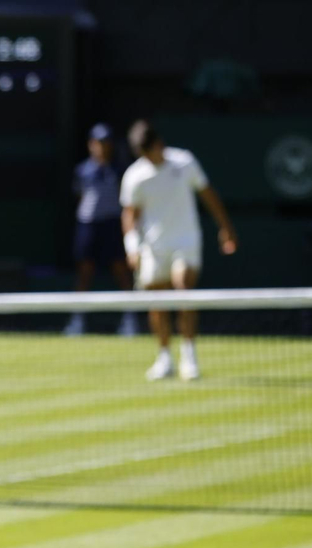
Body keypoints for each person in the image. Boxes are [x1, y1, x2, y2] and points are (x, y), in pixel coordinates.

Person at [120, 119, 237, 382]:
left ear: (159, 144)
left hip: (185, 241)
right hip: (154, 247)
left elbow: (208, 194)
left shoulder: (184, 162)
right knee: (158, 304)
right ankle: (164, 358)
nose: (150, 157)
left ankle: (189, 356)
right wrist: (132, 247)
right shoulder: (135, 176)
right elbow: (130, 215)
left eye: (151, 150)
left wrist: (225, 227)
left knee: (183, 288)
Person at [65, 125, 137, 337]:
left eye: (105, 142)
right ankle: (77, 320)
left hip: (113, 225)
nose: (102, 147)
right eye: (97, 142)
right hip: (88, 226)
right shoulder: (82, 171)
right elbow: (79, 198)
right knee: (84, 273)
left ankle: (129, 319)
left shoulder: (120, 170)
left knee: (122, 272)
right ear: (90, 144)